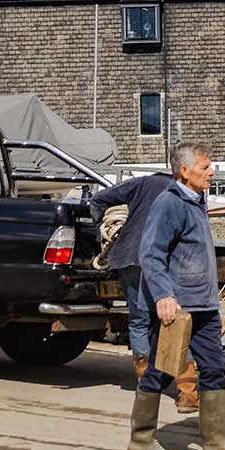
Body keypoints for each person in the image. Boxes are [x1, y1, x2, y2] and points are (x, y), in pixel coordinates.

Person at [125, 141, 225, 450]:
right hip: (178, 307)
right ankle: (141, 439)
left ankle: (217, 443)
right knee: (162, 371)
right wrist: (163, 295)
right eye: (205, 167)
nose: (211, 171)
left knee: (214, 366)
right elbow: (151, 252)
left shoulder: (197, 200)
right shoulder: (170, 204)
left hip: (204, 306)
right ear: (185, 171)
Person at [86, 164, 196, 408]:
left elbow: (97, 200)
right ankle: (186, 391)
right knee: (175, 321)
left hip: (128, 256)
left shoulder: (142, 183)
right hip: (164, 261)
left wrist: (100, 234)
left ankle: (146, 386)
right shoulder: (186, 190)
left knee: (139, 320)